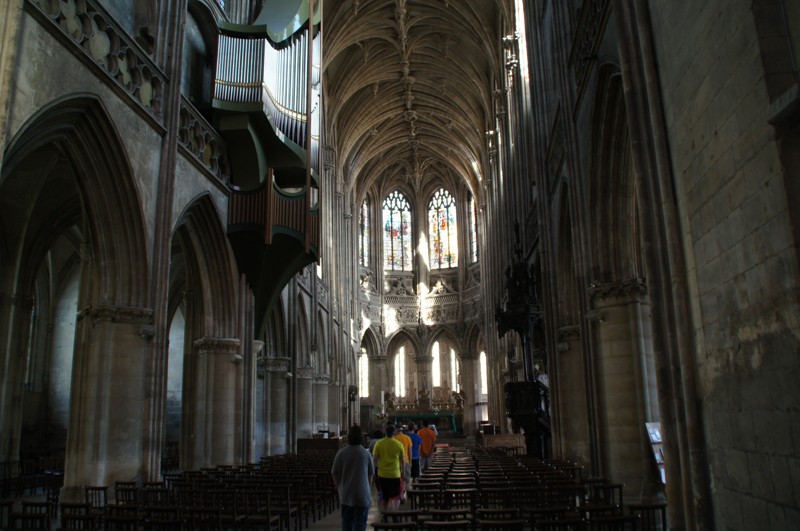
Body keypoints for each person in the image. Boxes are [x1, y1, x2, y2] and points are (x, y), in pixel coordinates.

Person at [331, 425, 374, 531]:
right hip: (362, 492)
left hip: (346, 492)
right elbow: (370, 474)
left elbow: (334, 473)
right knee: (360, 523)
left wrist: (339, 487)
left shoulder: (341, 453)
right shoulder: (366, 453)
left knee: (347, 522)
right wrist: (367, 487)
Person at [372, 424, 406, 512]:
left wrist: (374, 472)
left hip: (382, 474)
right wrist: (403, 472)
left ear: (385, 432)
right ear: (394, 432)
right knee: (396, 496)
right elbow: (402, 460)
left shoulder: (379, 443)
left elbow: (375, 459)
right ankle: (395, 513)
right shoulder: (399, 444)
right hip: (395, 474)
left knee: (385, 496)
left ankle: (385, 513)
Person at [393, 425, 412, 498]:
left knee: (397, 478)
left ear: (396, 430)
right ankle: (403, 494)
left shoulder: (394, 438)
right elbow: (410, 451)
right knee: (405, 479)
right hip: (406, 460)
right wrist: (410, 462)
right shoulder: (407, 438)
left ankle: (398, 494)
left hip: (396, 462)